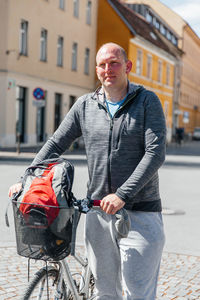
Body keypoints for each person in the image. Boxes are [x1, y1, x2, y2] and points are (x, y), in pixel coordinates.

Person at [9, 43, 166, 300]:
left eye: (114, 63)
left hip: (140, 214)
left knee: (139, 294)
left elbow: (155, 153)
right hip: (97, 214)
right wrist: (26, 179)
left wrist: (122, 195)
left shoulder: (147, 102)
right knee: (105, 293)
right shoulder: (85, 105)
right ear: (96, 70)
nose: (108, 69)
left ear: (127, 67)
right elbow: (55, 143)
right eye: (102, 65)